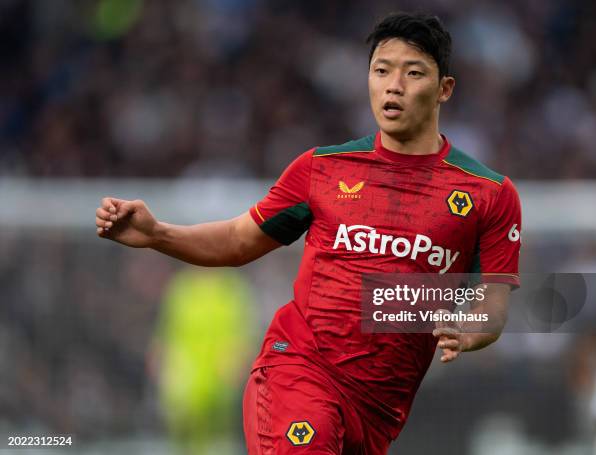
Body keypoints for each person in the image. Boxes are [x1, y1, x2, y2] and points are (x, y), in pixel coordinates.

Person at [95, 12, 521, 454]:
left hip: (379, 412)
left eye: (413, 73)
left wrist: (468, 329)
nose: (393, 85)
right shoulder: (321, 169)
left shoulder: (488, 194)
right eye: (381, 71)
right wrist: (158, 233)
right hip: (298, 373)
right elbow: (240, 240)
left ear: (444, 89)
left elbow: (494, 302)